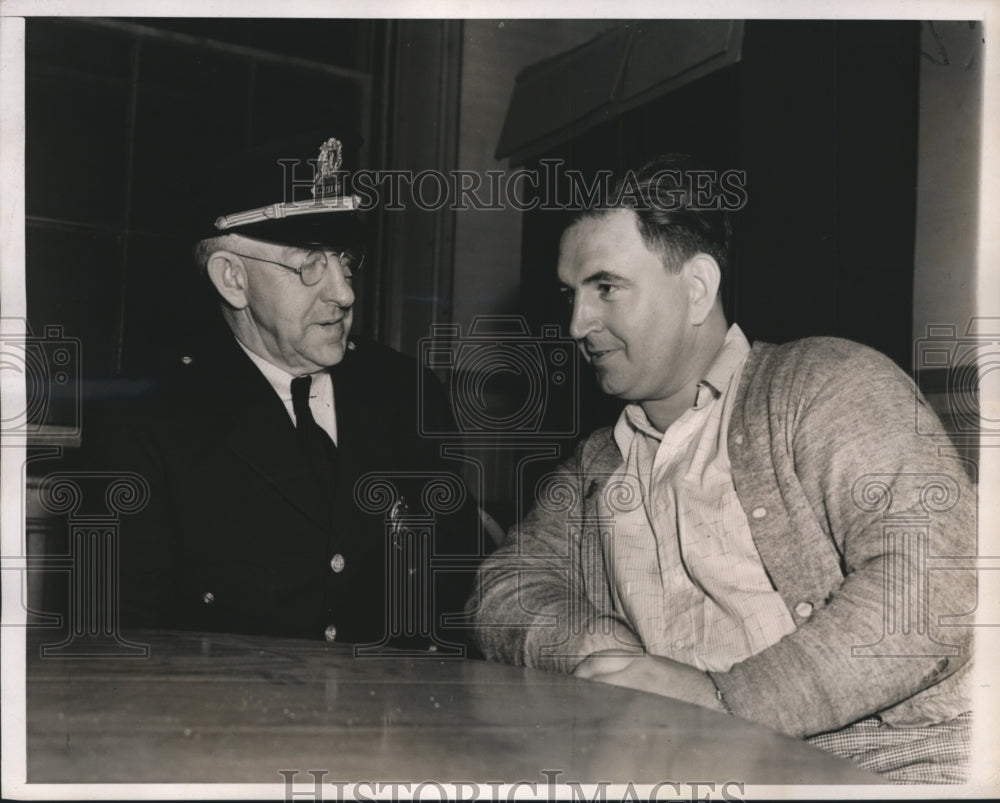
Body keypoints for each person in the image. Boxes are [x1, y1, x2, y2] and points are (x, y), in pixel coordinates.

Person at [468, 155, 976, 782]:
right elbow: (504, 589)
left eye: (607, 287)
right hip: (687, 767)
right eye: (571, 295)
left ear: (698, 288)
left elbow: (934, 590)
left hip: (893, 765)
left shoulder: (829, 383)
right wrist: (603, 655)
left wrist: (723, 699)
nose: (577, 324)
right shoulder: (599, 462)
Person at [103, 134, 483, 650]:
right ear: (232, 279)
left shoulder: (405, 391)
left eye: (343, 260)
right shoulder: (149, 419)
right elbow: (123, 641)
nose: (344, 292)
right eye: (308, 264)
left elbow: (452, 592)